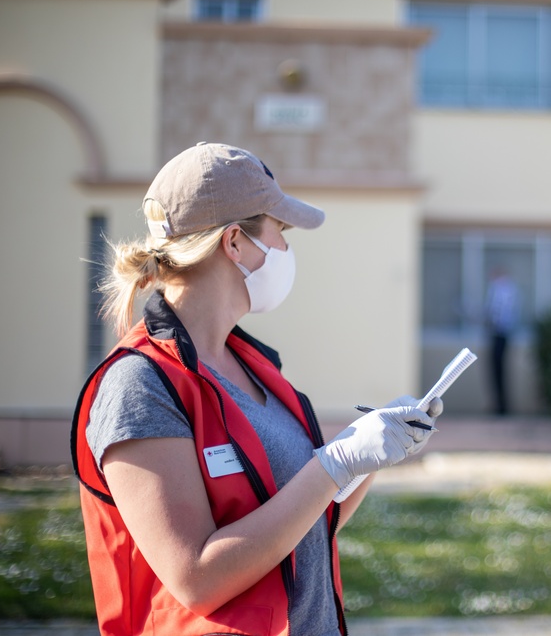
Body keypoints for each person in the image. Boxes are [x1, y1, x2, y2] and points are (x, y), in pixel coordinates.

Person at [71, 142, 441, 636]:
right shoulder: (140, 385)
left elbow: (303, 521)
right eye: (280, 231)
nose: (287, 250)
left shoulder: (250, 363)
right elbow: (197, 578)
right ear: (234, 243)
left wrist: (367, 455)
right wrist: (336, 464)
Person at [484, 266, 519, 415]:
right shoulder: (509, 289)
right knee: (498, 371)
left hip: (500, 333)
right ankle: (500, 404)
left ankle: (501, 406)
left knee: (498, 370)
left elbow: (495, 313)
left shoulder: (501, 289)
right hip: (502, 334)